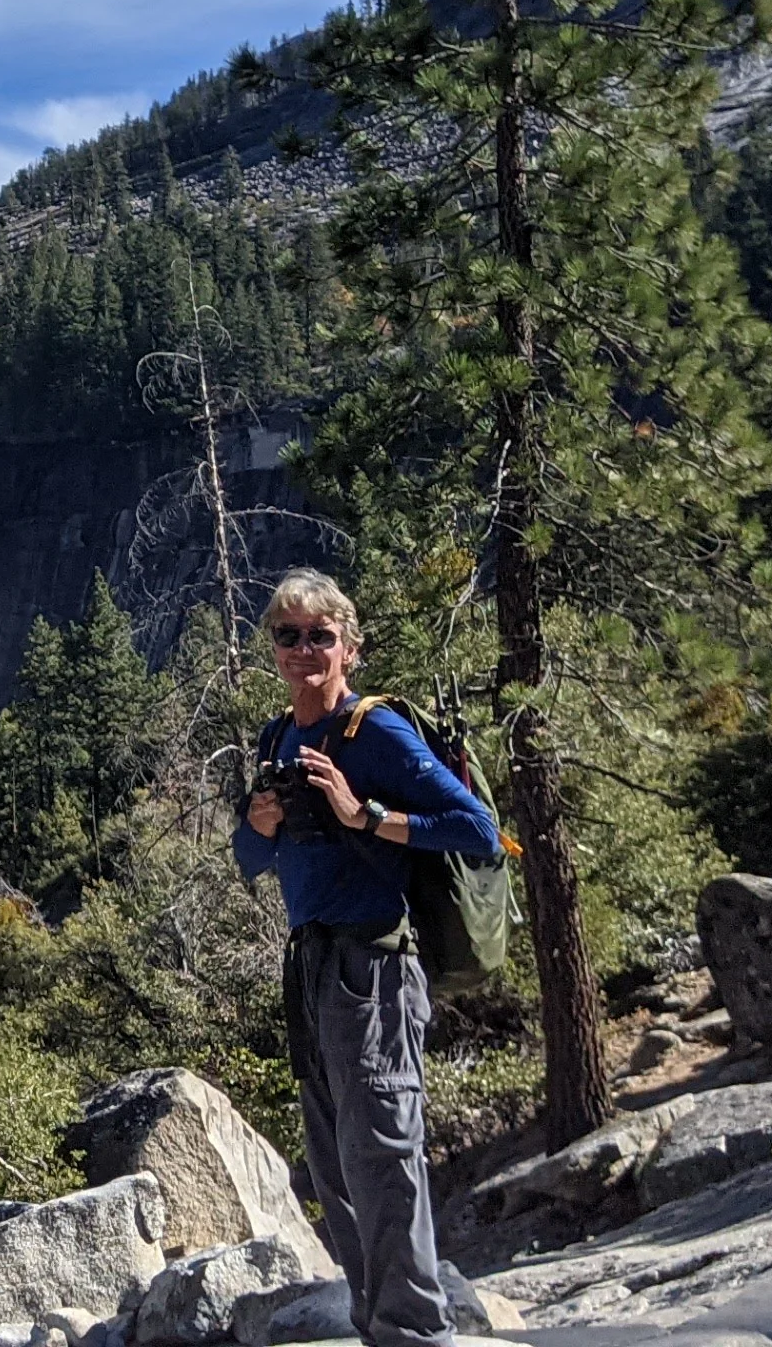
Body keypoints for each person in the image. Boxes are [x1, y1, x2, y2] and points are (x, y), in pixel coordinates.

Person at [231, 569, 499, 1347]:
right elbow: (252, 860)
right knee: (334, 1168)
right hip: (313, 972)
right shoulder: (278, 738)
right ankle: (377, 1324)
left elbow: (475, 828)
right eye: (289, 635)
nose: (305, 648)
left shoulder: (374, 732)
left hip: (374, 970)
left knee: (384, 1159)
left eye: (321, 635)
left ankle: (417, 1334)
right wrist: (260, 820)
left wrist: (366, 813)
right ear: (274, 650)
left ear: (349, 646)